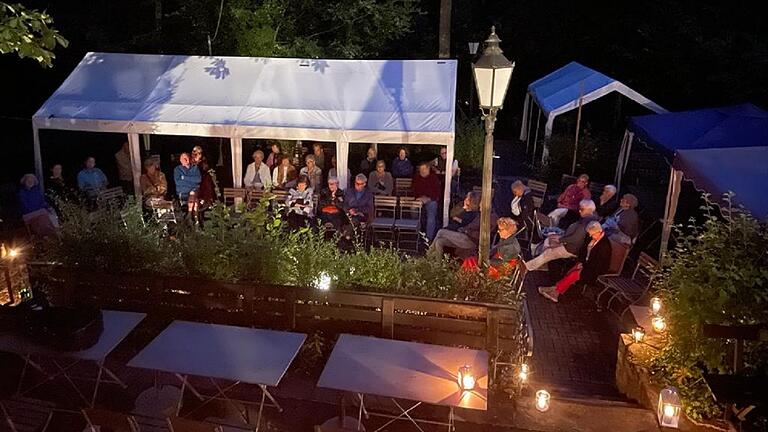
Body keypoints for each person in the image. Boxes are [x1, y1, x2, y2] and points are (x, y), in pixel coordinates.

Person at [538, 221, 612, 303]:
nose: (590, 236)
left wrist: (583, 267)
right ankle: (554, 290)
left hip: (594, 269)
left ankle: (555, 292)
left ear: (599, 231)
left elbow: (598, 264)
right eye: (590, 234)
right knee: (570, 271)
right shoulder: (591, 236)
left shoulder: (604, 246)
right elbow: (583, 251)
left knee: (574, 274)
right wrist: (581, 262)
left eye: (592, 234)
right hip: (585, 264)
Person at [526, 199, 600, 271]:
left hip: (570, 248)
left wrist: (560, 239)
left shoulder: (586, 223)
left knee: (548, 252)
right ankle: (541, 262)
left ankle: (527, 267)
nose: (579, 211)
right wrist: (561, 237)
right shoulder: (588, 218)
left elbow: (575, 239)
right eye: (579, 208)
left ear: (589, 209)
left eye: (582, 209)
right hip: (567, 241)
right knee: (548, 240)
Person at [429, 191, 481, 258]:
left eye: (468, 199)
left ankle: (428, 254)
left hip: (468, 238)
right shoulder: (464, 209)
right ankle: (437, 265)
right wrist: (463, 209)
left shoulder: (475, 214)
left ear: (472, 201)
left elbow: (465, 224)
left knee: (441, 232)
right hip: (458, 235)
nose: (465, 200)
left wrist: (458, 219)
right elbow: (452, 214)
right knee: (439, 241)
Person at [412, 162, 441, 241]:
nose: (422, 171)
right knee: (413, 208)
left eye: (424, 169)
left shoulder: (434, 178)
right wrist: (418, 198)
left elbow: (437, 193)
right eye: (421, 169)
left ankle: (428, 239)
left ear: (428, 169)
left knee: (431, 215)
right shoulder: (417, 178)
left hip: (431, 199)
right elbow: (414, 190)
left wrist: (428, 198)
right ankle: (417, 232)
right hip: (419, 199)